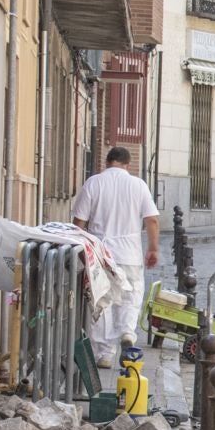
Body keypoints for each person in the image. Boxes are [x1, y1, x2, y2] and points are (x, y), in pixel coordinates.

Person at [71, 146, 160, 367]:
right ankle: (127, 332)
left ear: (107, 162)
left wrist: (81, 249)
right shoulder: (138, 185)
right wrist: (153, 248)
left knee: (102, 301)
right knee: (131, 295)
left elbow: (78, 223)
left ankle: (105, 353)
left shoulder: (94, 183)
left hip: (100, 252)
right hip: (130, 252)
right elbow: (152, 220)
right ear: (127, 164)